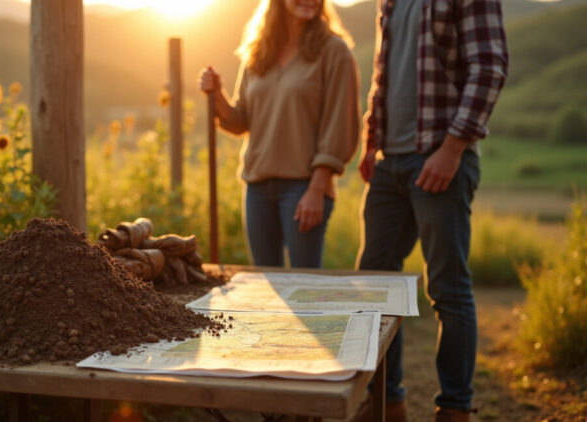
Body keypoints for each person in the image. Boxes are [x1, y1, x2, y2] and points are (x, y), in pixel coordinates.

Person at [355, 0, 508, 420]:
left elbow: (489, 67)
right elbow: (383, 75)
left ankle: (455, 410)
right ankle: (388, 402)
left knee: (447, 288)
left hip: (440, 158)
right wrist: (371, 139)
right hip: (391, 163)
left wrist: (452, 148)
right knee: (373, 285)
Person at [198, 0, 360, 269]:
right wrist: (217, 95)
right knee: (266, 285)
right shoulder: (258, 52)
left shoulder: (335, 51)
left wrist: (317, 188)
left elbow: (340, 126)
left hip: (304, 187)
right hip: (257, 187)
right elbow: (241, 121)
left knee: (303, 286)